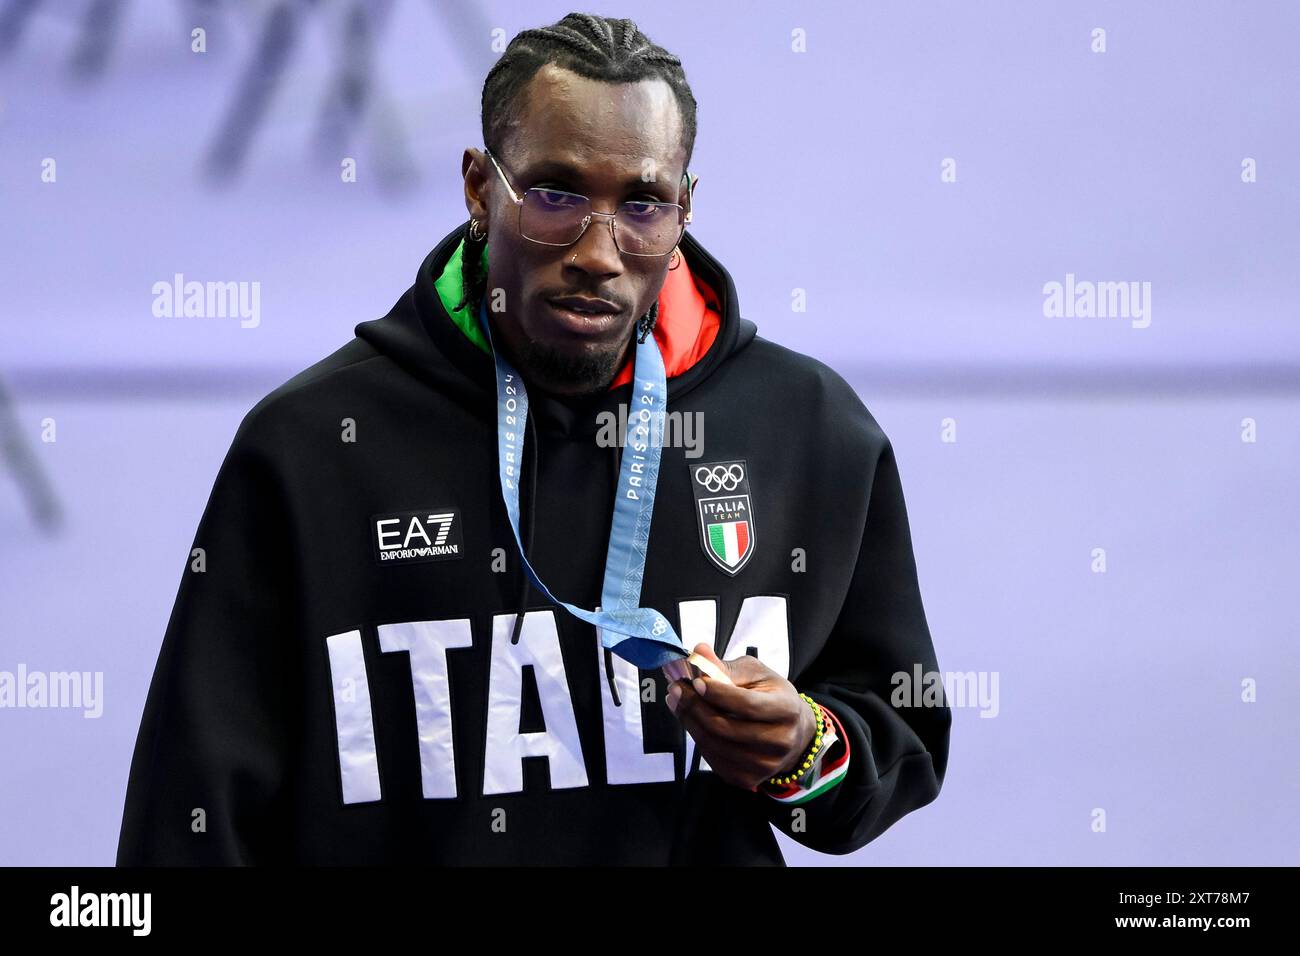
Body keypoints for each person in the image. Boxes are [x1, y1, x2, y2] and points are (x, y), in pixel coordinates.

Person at [116, 12, 950, 866]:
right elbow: (189, 820)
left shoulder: (804, 428)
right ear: (480, 188)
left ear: (684, 209)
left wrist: (804, 750)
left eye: (643, 205)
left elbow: (898, 730)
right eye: (555, 194)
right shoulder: (313, 448)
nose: (599, 251)